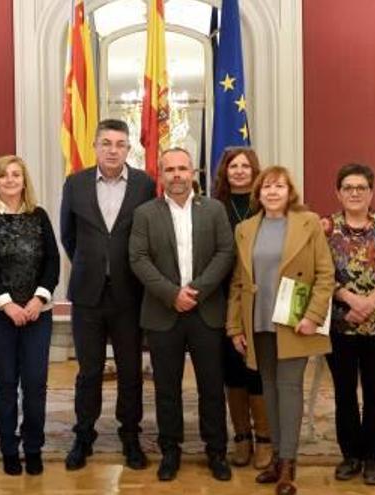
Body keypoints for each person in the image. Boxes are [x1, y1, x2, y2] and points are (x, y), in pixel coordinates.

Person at [226, 165, 335, 495]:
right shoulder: (245, 228)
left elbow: (325, 274)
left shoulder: (309, 223)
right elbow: (238, 281)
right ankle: (275, 458)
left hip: (295, 323)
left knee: (288, 391)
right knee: (268, 390)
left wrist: (314, 316)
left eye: (280, 187)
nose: (273, 192)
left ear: (290, 192)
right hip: (257, 320)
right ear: (258, 194)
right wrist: (234, 327)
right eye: (267, 187)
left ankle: (288, 464)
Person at [129, 147, 235, 482]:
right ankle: (170, 450)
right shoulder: (145, 212)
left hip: (207, 311)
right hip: (163, 312)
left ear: (194, 173)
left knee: (212, 387)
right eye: (170, 170)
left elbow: (226, 252)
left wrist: (196, 291)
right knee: (166, 388)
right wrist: (172, 293)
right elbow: (138, 258)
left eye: (183, 169)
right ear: (160, 175)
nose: (177, 175)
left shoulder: (214, 210)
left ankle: (216, 450)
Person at [60, 119, 156, 470]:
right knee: (89, 371)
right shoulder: (75, 183)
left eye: (120, 144)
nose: (113, 149)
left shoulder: (145, 184)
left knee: (131, 372)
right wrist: (94, 266)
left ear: (128, 149)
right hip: (88, 294)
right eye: (106, 143)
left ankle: (130, 436)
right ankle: (83, 436)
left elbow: (150, 234)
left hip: (130, 295)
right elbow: (67, 236)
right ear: (95, 146)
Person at [0, 155, 59, 476]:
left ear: (24, 181)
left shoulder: (39, 216)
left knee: (35, 383)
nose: (10, 180)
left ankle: (33, 447)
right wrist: (7, 304)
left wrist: (38, 299)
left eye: (16, 175)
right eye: (3, 176)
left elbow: (52, 262)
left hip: (38, 313)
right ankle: (9, 448)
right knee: (6, 384)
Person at [321, 164, 375, 485]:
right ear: (338, 193)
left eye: (361, 187)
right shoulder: (326, 227)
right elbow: (318, 270)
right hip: (340, 325)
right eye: (348, 187)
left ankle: (372, 458)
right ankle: (350, 455)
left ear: (371, 192)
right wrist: (350, 299)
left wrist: (371, 301)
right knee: (344, 394)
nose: (354, 192)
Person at [212, 147, 271, 468]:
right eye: (232, 166)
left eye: (245, 166)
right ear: (225, 171)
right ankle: (242, 438)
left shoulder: (267, 203)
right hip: (224, 297)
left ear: (254, 171)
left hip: (261, 296)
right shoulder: (213, 207)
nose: (239, 171)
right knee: (233, 369)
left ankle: (265, 439)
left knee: (257, 368)